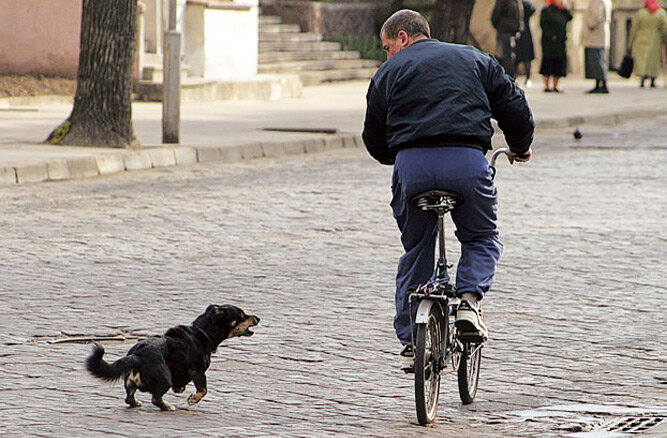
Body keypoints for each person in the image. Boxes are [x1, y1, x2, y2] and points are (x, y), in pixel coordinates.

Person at [362, 10, 534, 369]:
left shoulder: (388, 72)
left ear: (404, 38)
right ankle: (469, 303)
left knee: (416, 248)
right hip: (466, 163)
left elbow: (373, 133)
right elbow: (514, 105)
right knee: (481, 236)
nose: (386, 54)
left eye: (386, 46)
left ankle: (413, 341)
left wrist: (397, 156)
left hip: (413, 168)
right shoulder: (475, 58)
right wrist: (519, 145)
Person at [629, 0, 667, 88]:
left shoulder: (640, 13)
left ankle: (642, 77)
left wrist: (630, 42)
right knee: (653, 60)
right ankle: (653, 79)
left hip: (641, 39)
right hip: (655, 40)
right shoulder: (661, 13)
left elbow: (634, 28)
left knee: (642, 59)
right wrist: (665, 38)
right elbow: (665, 28)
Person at [539, 0, 573, 92]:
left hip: (560, 41)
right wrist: (551, 35)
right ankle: (546, 85)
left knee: (559, 63)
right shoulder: (546, 10)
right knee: (548, 62)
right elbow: (543, 24)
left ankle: (555, 85)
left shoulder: (562, 11)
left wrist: (564, 7)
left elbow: (570, 17)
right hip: (549, 42)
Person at [583, 0, 612, 93]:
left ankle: (602, 83)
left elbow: (596, 16)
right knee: (601, 59)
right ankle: (599, 83)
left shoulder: (597, 1)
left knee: (597, 60)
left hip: (595, 35)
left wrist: (590, 24)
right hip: (601, 35)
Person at [492, 0, 525, 78]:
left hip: (513, 31)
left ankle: (511, 76)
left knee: (511, 55)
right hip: (504, 30)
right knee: (504, 55)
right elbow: (496, 14)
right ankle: (505, 76)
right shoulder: (504, 1)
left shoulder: (515, 1)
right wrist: (497, 26)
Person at [516, 1, 537, 87]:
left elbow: (533, 9)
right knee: (515, 57)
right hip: (515, 31)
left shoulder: (525, 5)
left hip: (526, 33)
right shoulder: (513, 4)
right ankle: (514, 77)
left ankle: (528, 78)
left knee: (527, 57)